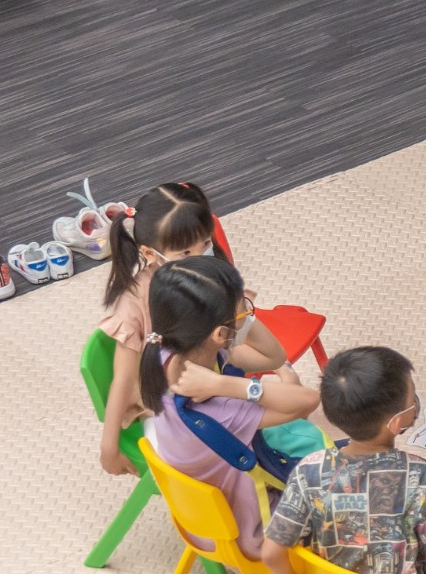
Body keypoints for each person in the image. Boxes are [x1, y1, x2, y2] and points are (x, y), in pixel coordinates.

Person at [98, 182, 289, 477]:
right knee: (288, 407)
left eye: (206, 244)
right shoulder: (135, 302)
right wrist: (108, 449)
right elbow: (123, 379)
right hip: (172, 401)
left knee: (286, 387)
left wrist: (237, 306)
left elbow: (271, 355)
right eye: (185, 252)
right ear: (150, 253)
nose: (201, 257)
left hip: (212, 368)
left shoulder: (209, 279)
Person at [259, 346, 426, 574]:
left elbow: (271, 553)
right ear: (396, 422)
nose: (415, 404)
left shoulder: (309, 470)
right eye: (412, 400)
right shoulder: (423, 477)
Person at [140, 254, 319, 560]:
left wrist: (240, 316)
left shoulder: (166, 353)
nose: (248, 314)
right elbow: (308, 401)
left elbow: (273, 358)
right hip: (257, 534)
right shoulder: (216, 409)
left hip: (202, 520)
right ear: (220, 334)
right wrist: (228, 385)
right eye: (244, 310)